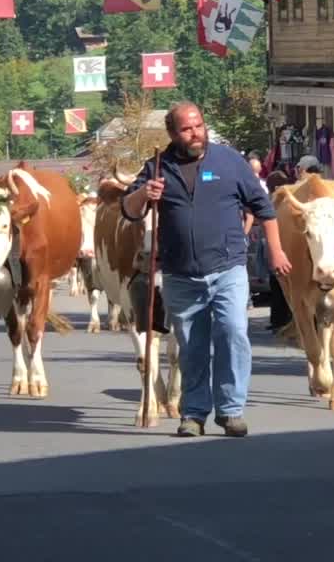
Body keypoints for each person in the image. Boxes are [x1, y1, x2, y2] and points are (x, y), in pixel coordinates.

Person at [122, 101, 292, 438]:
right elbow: (128, 209)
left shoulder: (229, 161)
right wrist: (144, 192)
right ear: (173, 133)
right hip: (180, 273)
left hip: (227, 267)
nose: (195, 132)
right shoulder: (158, 166)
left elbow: (264, 209)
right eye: (186, 128)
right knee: (192, 345)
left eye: (198, 125)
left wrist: (276, 251)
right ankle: (194, 414)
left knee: (232, 332)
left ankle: (230, 410)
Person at [263, 171, 295, 331]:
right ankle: (282, 319)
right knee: (282, 285)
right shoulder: (288, 200)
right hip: (284, 247)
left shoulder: (276, 201)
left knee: (279, 285)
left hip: (280, 247)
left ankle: (280, 319)